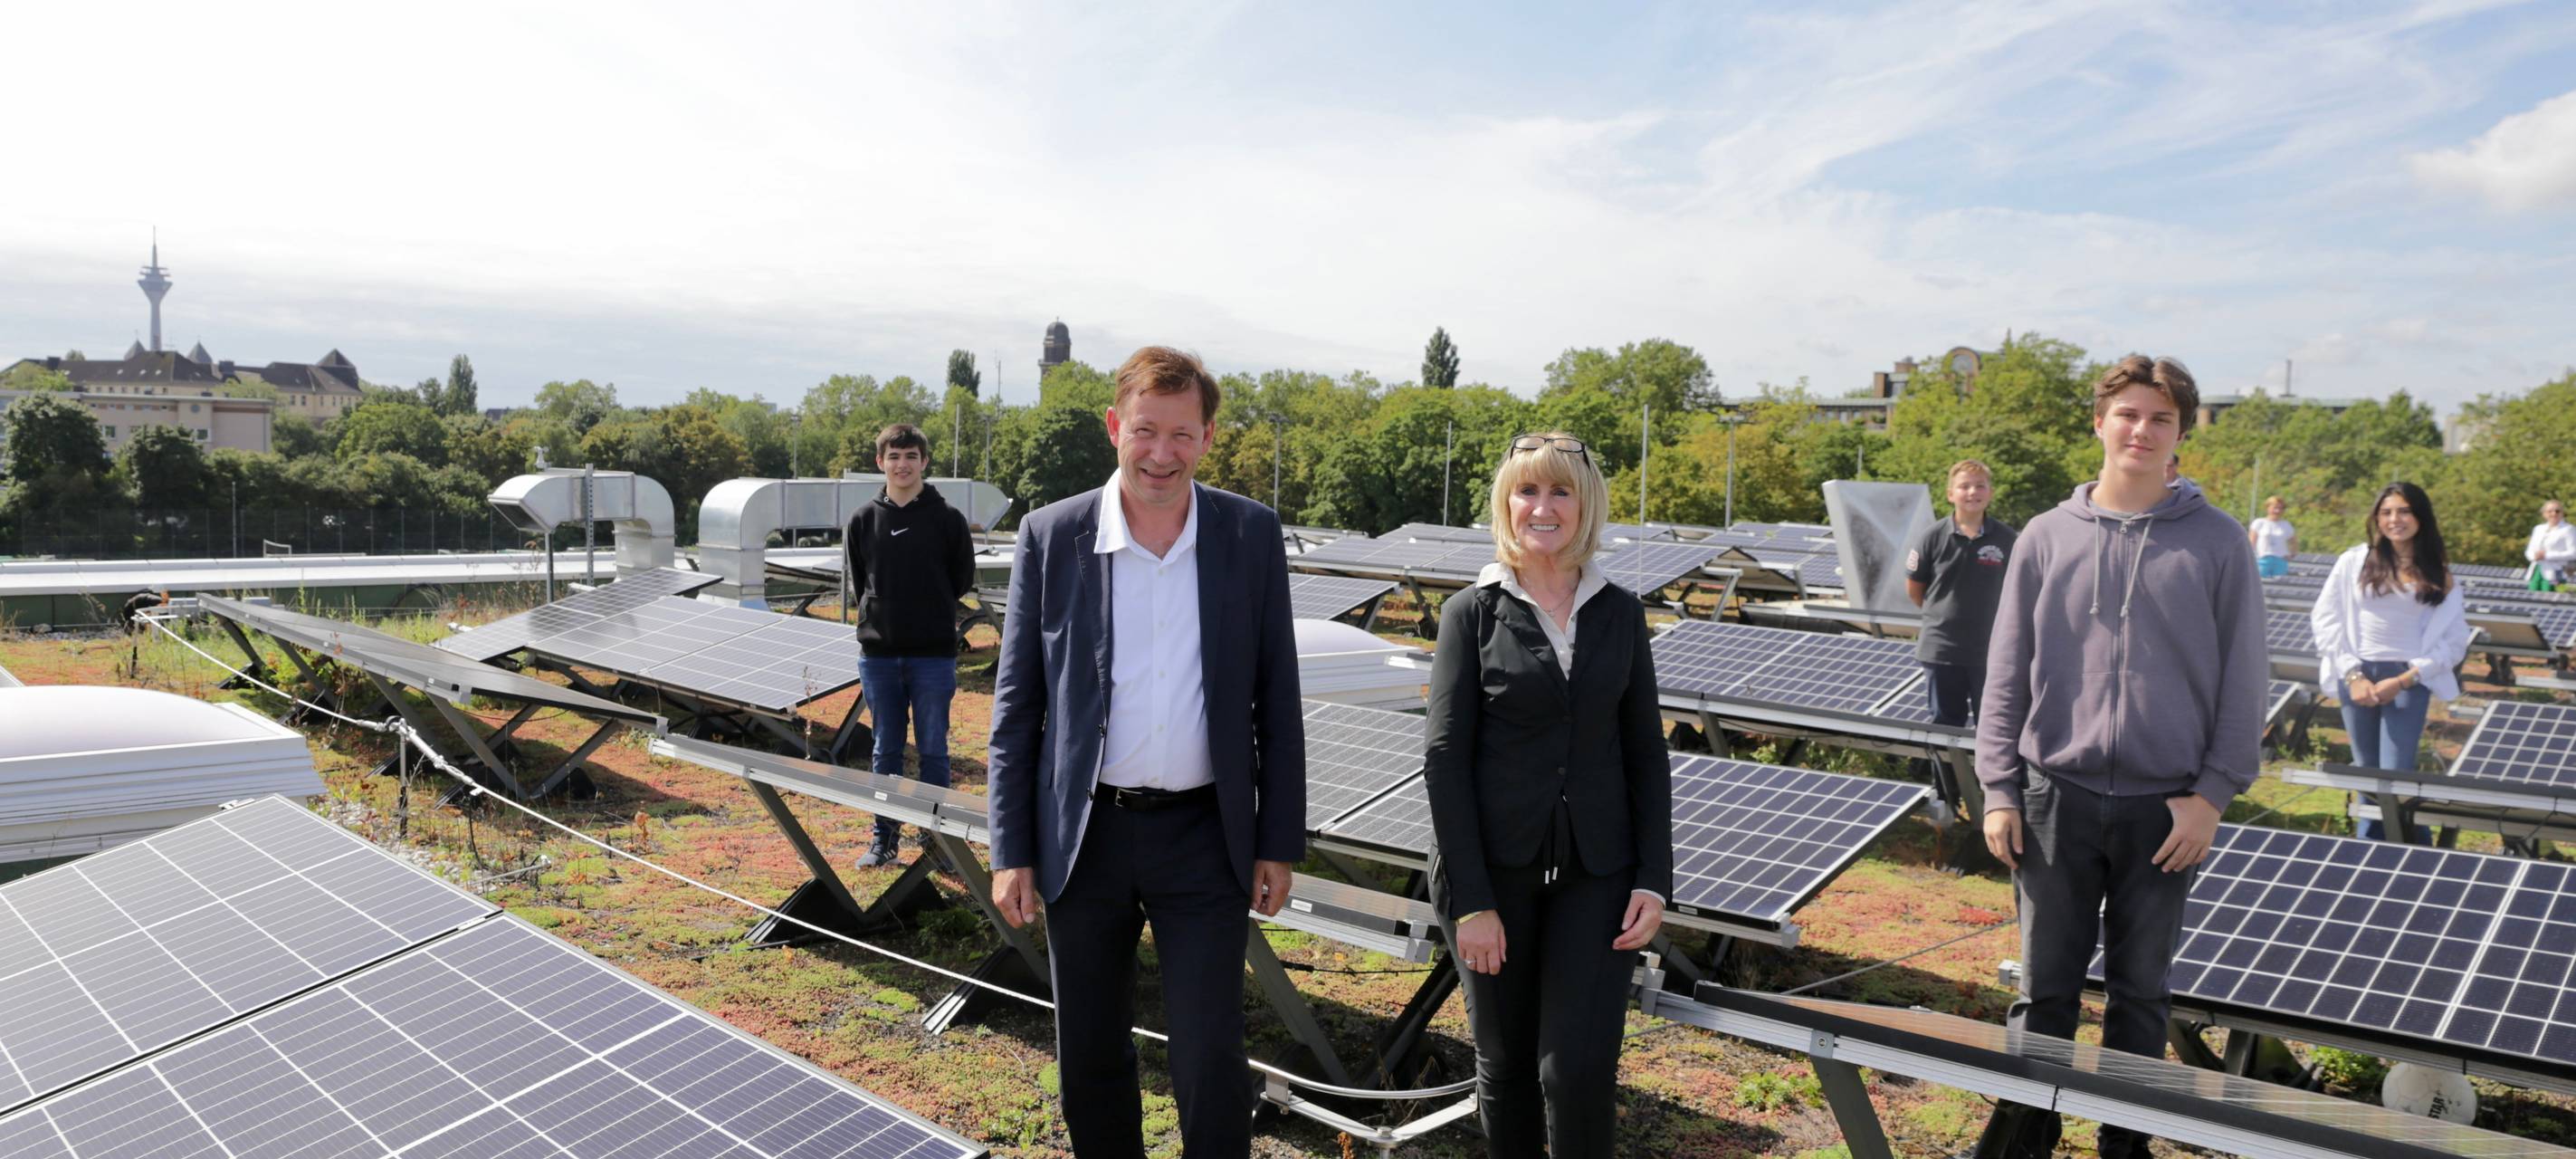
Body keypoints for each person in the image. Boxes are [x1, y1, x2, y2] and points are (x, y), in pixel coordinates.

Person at [985, 346, 1303, 1158]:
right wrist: (1011, 849)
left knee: (1209, 1053)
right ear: (1114, 427)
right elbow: (1017, 708)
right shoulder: (1051, 536)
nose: (1163, 453)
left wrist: (1276, 841)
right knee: (1091, 1051)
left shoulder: (1249, 534)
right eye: (1146, 431)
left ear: (1208, 437)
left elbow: (1278, 698)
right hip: (1086, 836)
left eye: (1183, 434)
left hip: (1205, 838)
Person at [1975, 355, 2267, 1159]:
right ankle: (2024, 1141)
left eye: (2161, 418)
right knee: (2044, 993)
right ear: (2100, 422)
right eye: (2129, 414)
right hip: (2053, 795)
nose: (2143, 430)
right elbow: (2007, 669)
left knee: (2141, 995)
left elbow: (2246, 679)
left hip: (2166, 809)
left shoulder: (2217, 542)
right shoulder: (2046, 535)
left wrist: (2211, 797)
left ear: (2181, 434)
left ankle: (2124, 1145)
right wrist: (1999, 788)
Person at [1422, 430, 1673, 1158]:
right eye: (1527, 490)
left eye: (1560, 490)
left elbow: (1644, 751)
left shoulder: (1620, 612)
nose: (1543, 506)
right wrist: (1472, 902)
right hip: (1492, 876)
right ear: (1506, 504)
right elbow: (1444, 759)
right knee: (1506, 1065)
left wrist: (1653, 879)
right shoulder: (1470, 613)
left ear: (1585, 504)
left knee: (1576, 1070)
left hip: (1599, 873)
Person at [844, 423, 976, 868]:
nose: (903, 465)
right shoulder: (863, 520)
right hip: (879, 658)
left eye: (911, 456)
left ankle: (937, 839)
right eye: (894, 457)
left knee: (934, 748)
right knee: (886, 749)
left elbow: (960, 579)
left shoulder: (948, 519)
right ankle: (884, 840)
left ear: (924, 461)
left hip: (933, 655)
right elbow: (861, 582)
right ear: (880, 462)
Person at [2312, 483, 2469, 841]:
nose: (2394, 519)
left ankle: (2411, 851)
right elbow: (2325, 618)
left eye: (2404, 511)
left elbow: (2454, 641)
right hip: (2357, 676)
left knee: (2396, 775)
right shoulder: (2354, 562)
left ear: (2420, 517)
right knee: (2367, 774)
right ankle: (2372, 852)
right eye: (2386, 512)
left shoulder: (2440, 574)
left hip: (2407, 681)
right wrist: (2353, 675)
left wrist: (2405, 679)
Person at [1905, 459, 2018, 728]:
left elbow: (2019, 590)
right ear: (1950, 494)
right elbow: (1915, 590)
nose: (1972, 492)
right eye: (1964, 486)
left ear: (1990, 493)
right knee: (1944, 725)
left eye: (1980, 486)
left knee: (1994, 726)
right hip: (1941, 649)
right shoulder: (1932, 537)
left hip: (1992, 651)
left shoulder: (2008, 539)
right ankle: (1947, 760)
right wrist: (1942, 615)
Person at [2248, 494, 2298, 580]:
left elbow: (2294, 542)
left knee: (2279, 585)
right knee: (2258, 583)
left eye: (2280, 508)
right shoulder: (2259, 523)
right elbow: (2251, 542)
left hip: (2280, 561)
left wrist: (2292, 554)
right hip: (2262, 560)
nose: (2277, 511)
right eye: (2275, 508)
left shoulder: (2286, 525)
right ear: (2268, 508)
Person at [2528, 500, 2575, 589]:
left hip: (2557, 572)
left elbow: (2573, 553)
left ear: (2562, 513)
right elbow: (2529, 550)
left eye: (2557, 511)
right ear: (2544, 514)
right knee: (2532, 595)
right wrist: (2534, 556)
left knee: (2552, 596)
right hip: (2537, 570)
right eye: (2550, 511)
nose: (2554, 514)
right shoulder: (2538, 529)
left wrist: (2547, 555)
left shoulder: (2569, 529)